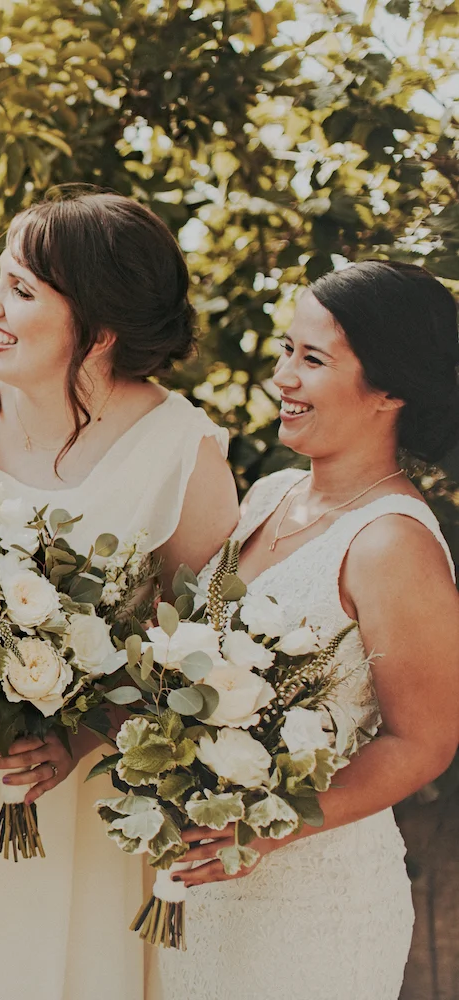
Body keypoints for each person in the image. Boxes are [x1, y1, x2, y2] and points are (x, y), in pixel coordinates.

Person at [0, 191, 240, 999]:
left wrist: (84, 735)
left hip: (71, 794)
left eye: (21, 291)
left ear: (99, 330)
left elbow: (202, 657)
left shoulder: (182, 450)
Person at [154, 260, 459, 999]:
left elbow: (425, 742)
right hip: (205, 890)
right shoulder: (268, 496)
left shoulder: (394, 543)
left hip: (315, 908)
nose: (282, 377)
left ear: (390, 389)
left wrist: (265, 827)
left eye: (312, 359)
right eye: (287, 350)